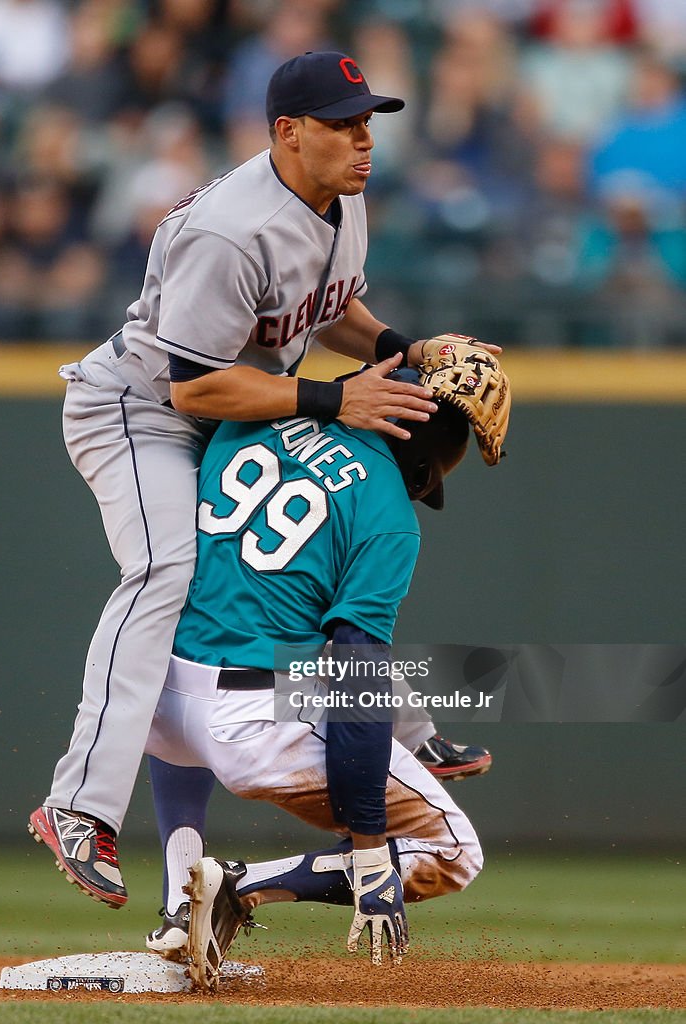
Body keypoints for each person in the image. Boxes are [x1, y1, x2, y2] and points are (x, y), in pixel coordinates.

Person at [28, 50, 498, 909]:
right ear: (287, 132)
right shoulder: (229, 230)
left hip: (238, 406)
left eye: (368, 123)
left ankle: (407, 733)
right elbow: (193, 384)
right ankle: (79, 803)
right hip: (140, 412)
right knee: (167, 571)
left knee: (331, 554)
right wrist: (333, 399)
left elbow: (334, 311)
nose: (364, 141)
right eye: (343, 125)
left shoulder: (341, 200)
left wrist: (406, 347)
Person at [143, 366, 494, 988]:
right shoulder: (388, 512)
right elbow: (355, 671)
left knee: (255, 648)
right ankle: (238, 887)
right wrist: (366, 845)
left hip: (155, 697)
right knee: (454, 852)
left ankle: (179, 904)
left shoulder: (248, 412)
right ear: (420, 461)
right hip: (253, 720)